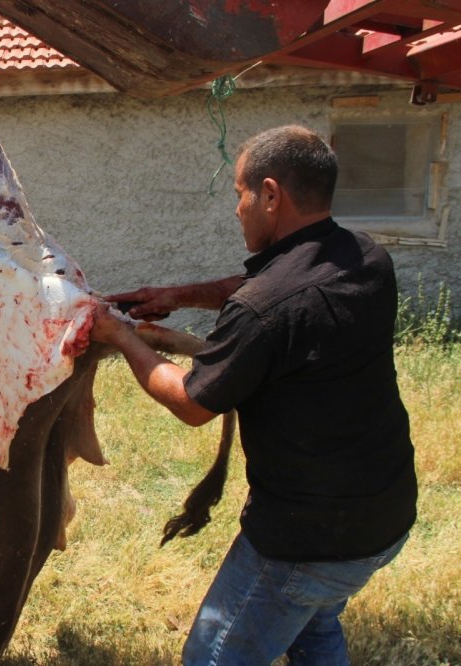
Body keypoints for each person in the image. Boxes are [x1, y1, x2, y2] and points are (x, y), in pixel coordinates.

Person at [93, 125, 417, 665]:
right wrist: (177, 295)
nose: (237, 209)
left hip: (307, 543)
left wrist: (122, 336)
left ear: (270, 195)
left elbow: (191, 403)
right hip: (385, 513)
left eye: (240, 194)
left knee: (212, 657)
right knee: (313, 625)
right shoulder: (365, 258)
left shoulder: (264, 309)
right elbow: (273, 288)